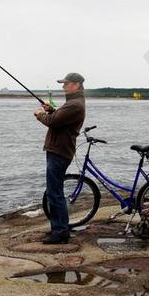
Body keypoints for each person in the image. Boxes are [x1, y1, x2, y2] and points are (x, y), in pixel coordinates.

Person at [34, 72, 86, 244]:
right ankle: (58, 228)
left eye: (66, 84)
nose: (63, 86)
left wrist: (41, 114)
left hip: (59, 152)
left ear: (77, 85)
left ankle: (61, 232)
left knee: (55, 193)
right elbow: (59, 118)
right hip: (58, 150)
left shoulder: (74, 104)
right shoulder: (73, 103)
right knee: (53, 192)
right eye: (63, 84)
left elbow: (53, 122)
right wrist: (53, 111)